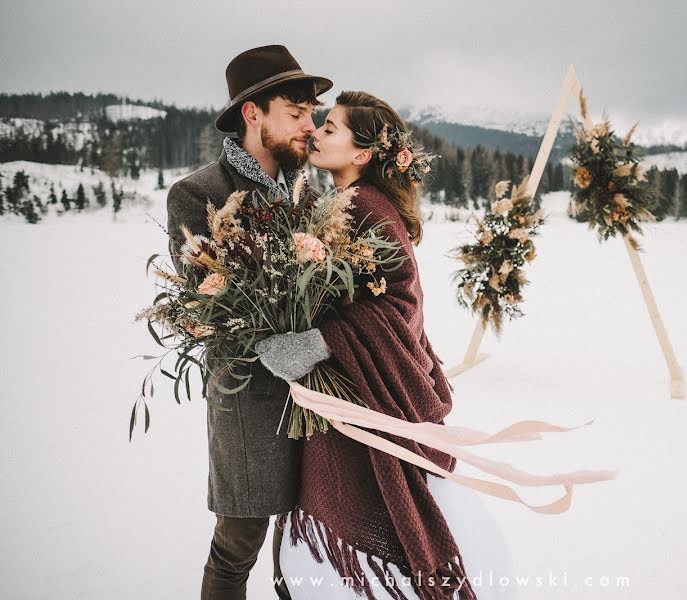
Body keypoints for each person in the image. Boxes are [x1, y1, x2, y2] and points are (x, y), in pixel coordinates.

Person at [254, 91, 517, 599]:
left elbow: (398, 303)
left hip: (364, 389)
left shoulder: (367, 206)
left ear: (362, 154)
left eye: (331, 128)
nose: (317, 133)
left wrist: (316, 341)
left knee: (371, 498)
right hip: (344, 386)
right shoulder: (334, 200)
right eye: (320, 124)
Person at [165, 44, 332, 599]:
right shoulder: (197, 194)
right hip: (248, 403)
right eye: (297, 112)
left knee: (304, 547)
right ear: (252, 113)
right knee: (239, 545)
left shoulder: (305, 190)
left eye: (313, 113)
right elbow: (212, 308)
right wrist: (303, 353)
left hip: (315, 403)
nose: (312, 126)